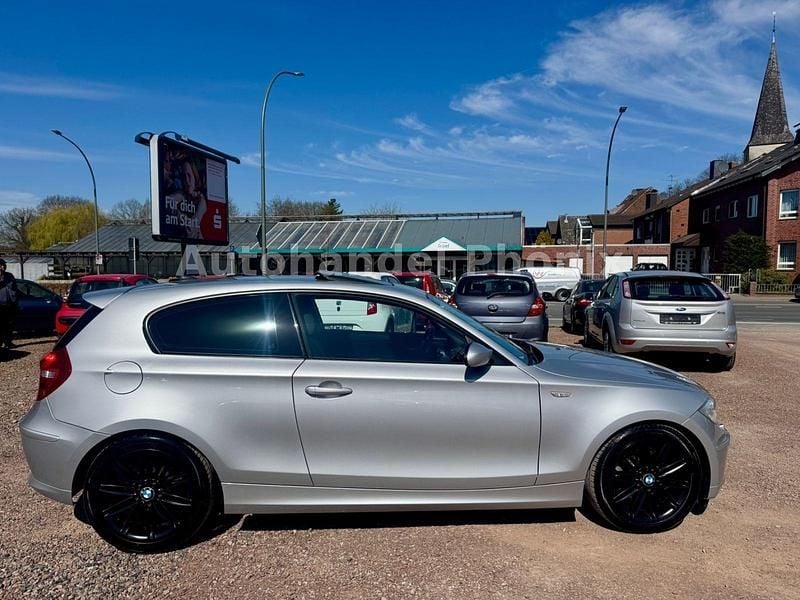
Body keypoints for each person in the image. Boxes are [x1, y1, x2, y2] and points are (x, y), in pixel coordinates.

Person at [0, 258, 19, 351]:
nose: (2, 267)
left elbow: (13, 286)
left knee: (9, 325)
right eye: (1, 265)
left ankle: (8, 342)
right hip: (0, 305)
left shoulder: (9, 276)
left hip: (9, 304)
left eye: (3, 265)